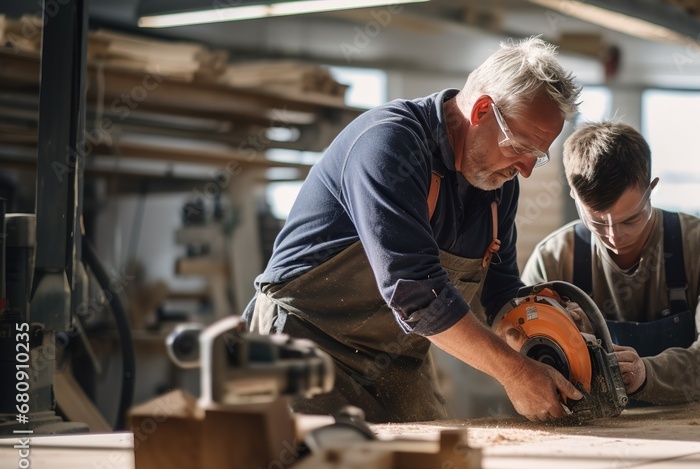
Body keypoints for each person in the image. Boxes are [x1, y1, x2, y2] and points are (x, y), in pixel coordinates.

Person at [242, 37, 583, 424]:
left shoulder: (497, 187)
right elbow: (415, 293)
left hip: (396, 362)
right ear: (483, 110)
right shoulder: (389, 146)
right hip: (305, 344)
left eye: (537, 156)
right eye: (520, 146)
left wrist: (547, 331)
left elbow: (499, 293)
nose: (523, 169)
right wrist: (514, 373)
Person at [521, 122, 700, 469]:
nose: (614, 236)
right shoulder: (554, 259)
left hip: (697, 454)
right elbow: (525, 362)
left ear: (651, 188)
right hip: (600, 464)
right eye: (596, 221)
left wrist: (646, 373)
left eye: (630, 219)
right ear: (574, 196)